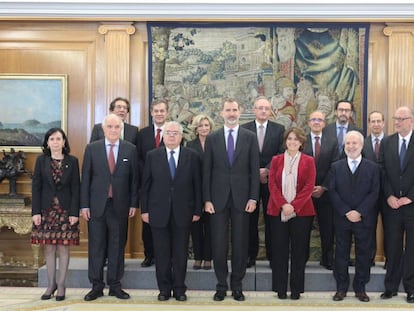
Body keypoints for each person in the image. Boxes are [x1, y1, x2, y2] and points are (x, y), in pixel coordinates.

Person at [203, 98, 260, 302]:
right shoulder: (212, 138)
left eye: (235, 110)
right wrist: (207, 199)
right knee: (218, 244)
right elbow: (206, 172)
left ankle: (237, 285)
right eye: (228, 110)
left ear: (240, 111)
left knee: (240, 244)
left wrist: (254, 197)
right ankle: (221, 285)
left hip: (242, 199)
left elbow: (254, 170)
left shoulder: (250, 137)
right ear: (221, 113)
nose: (231, 113)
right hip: (217, 200)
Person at [141, 121, 202, 302]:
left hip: (184, 212)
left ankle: (180, 289)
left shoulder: (192, 156)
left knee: (180, 254)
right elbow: (145, 186)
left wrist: (197, 209)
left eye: (176, 133)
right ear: (163, 136)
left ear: (181, 136)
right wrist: (145, 210)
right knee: (161, 254)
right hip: (158, 213)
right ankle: (164, 289)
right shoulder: (152, 156)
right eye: (169, 133)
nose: (172, 136)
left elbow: (197, 185)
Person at [81, 114, 138, 301]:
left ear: (121, 129)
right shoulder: (92, 149)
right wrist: (84, 205)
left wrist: (133, 203)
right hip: (97, 207)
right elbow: (86, 180)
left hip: (120, 206)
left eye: (116, 127)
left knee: (117, 247)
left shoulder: (130, 149)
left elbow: (134, 180)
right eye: (110, 127)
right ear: (103, 129)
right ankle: (96, 286)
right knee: (96, 247)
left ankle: (115, 285)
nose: (113, 130)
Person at [329, 131, 380, 303]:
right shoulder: (336, 166)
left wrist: (359, 212)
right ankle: (341, 288)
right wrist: (346, 211)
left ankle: (360, 288)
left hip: (364, 218)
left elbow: (375, 192)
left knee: (363, 254)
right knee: (341, 253)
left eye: (354, 143)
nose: (351, 146)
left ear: (361, 145)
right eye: (348, 143)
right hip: (342, 218)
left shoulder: (373, 167)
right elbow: (333, 191)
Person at [31, 128, 80, 301]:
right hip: (46, 211)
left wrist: (75, 212)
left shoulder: (72, 161)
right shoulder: (41, 161)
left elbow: (76, 188)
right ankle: (50, 284)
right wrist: (35, 211)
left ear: (64, 142)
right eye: (52, 139)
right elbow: (36, 187)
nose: (56, 142)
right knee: (49, 248)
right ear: (47, 142)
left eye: (59, 138)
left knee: (63, 248)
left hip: (66, 212)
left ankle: (61, 285)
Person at [267, 127, 316, 300]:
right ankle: (280, 289)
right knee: (279, 251)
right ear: (285, 141)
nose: (292, 142)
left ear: (301, 143)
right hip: (277, 210)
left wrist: (293, 206)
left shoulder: (309, 161)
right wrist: (283, 204)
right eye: (289, 139)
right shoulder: (276, 160)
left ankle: (296, 290)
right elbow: (272, 184)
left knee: (299, 251)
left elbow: (309, 186)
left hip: (302, 212)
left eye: (296, 139)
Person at [242, 96, 284, 267]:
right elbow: (242, 155)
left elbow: (281, 153)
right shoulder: (244, 129)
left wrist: (266, 169)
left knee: (271, 220)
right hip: (248, 181)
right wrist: (255, 171)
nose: (263, 111)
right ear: (254, 110)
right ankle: (249, 256)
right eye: (260, 108)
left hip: (270, 180)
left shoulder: (279, 129)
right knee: (249, 220)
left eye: (267, 108)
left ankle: (272, 256)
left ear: (271, 111)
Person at [379, 106, 414, 303]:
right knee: (392, 247)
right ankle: (390, 287)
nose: (398, 122)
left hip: (411, 205)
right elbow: (382, 172)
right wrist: (390, 195)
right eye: (396, 118)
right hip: (392, 206)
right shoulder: (387, 142)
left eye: (402, 118)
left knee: (412, 248)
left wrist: (410, 196)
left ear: (411, 121)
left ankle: (411, 288)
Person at [303, 110, 339, 270]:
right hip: (304, 194)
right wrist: (308, 187)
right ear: (308, 122)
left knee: (327, 228)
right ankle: (301, 258)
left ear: (324, 123)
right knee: (302, 228)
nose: (316, 122)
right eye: (313, 119)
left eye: (320, 120)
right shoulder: (301, 140)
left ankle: (327, 258)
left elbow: (335, 167)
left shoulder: (332, 142)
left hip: (325, 193)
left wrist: (323, 187)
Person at [137, 99, 169, 267]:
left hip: (169, 187)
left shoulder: (173, 132)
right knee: (147, 222)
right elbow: (139, 159)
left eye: (162, 111)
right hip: (148, 185)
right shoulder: (142, 134)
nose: (159, 114)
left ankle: (165, 255)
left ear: (167, 113)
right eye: (156, 111)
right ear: (151, 113)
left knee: (167, 222)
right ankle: (149, 255)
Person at [187, 114, 215, 270]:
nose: (204, 128)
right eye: (201, 126)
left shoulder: (217, 143)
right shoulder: (190, 145)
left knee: (211, 227)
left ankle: (208, 258)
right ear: (196, 129)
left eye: (206, 125)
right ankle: (198, 257)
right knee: (196, 226)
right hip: (194, 191)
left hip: (213, 191)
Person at [362, 111, 386, 267]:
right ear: (369, 124)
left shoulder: (391, 142)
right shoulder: (362, 143)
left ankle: (389, 259)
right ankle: (369, 259)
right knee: (368, 228)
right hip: (367, 194)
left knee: (390, 228)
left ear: (383, 123)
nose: (376, 124)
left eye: (379, 121)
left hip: (387, 193)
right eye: (373, 121)